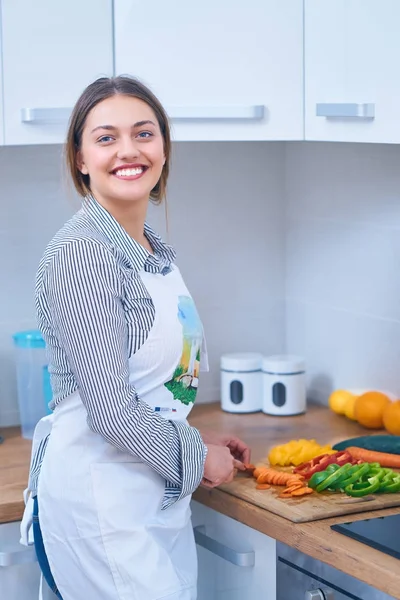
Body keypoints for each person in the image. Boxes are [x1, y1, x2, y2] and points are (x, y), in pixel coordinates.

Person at [25, 75, 251, 600]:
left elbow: (142, 392)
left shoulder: (152, 250)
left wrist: (193, 434)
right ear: (80, 159)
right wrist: (197, 457)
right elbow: (108, 411)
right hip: (100, 507)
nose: (129, 150)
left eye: (144, 134)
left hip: (147, 497)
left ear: (164, 149)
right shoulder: (82, 254)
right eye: (106, 138)